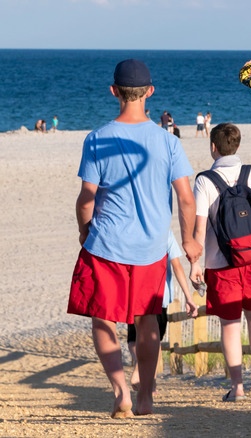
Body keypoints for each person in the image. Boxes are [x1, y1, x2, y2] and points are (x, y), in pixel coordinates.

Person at [68, 59, 201, 418]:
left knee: (102, 318)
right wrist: (188, 241)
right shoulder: (167, 141)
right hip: (152, 246)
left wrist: (84, 229)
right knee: (147, 320)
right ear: (150, 92)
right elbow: (186, 199)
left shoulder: (97, 138)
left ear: (114, 91)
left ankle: (121, 392)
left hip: (106, 244)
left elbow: (87, 198)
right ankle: (146, 396)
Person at [189, 122, 251, 402]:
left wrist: (196, 264)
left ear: (213, 147)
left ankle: (238, 387)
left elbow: (199, 228)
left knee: (230, 324)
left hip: (221, 264)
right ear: (238, 146)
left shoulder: (205, 181)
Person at [127, 230, 198, 392]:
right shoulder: (164, 231)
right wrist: (188, 297)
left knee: (133, 336)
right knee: (154, 339)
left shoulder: (130, 228)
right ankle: (150, 380)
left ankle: (140, 364)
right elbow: (177, 266)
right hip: (158, 294)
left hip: (133, 293)